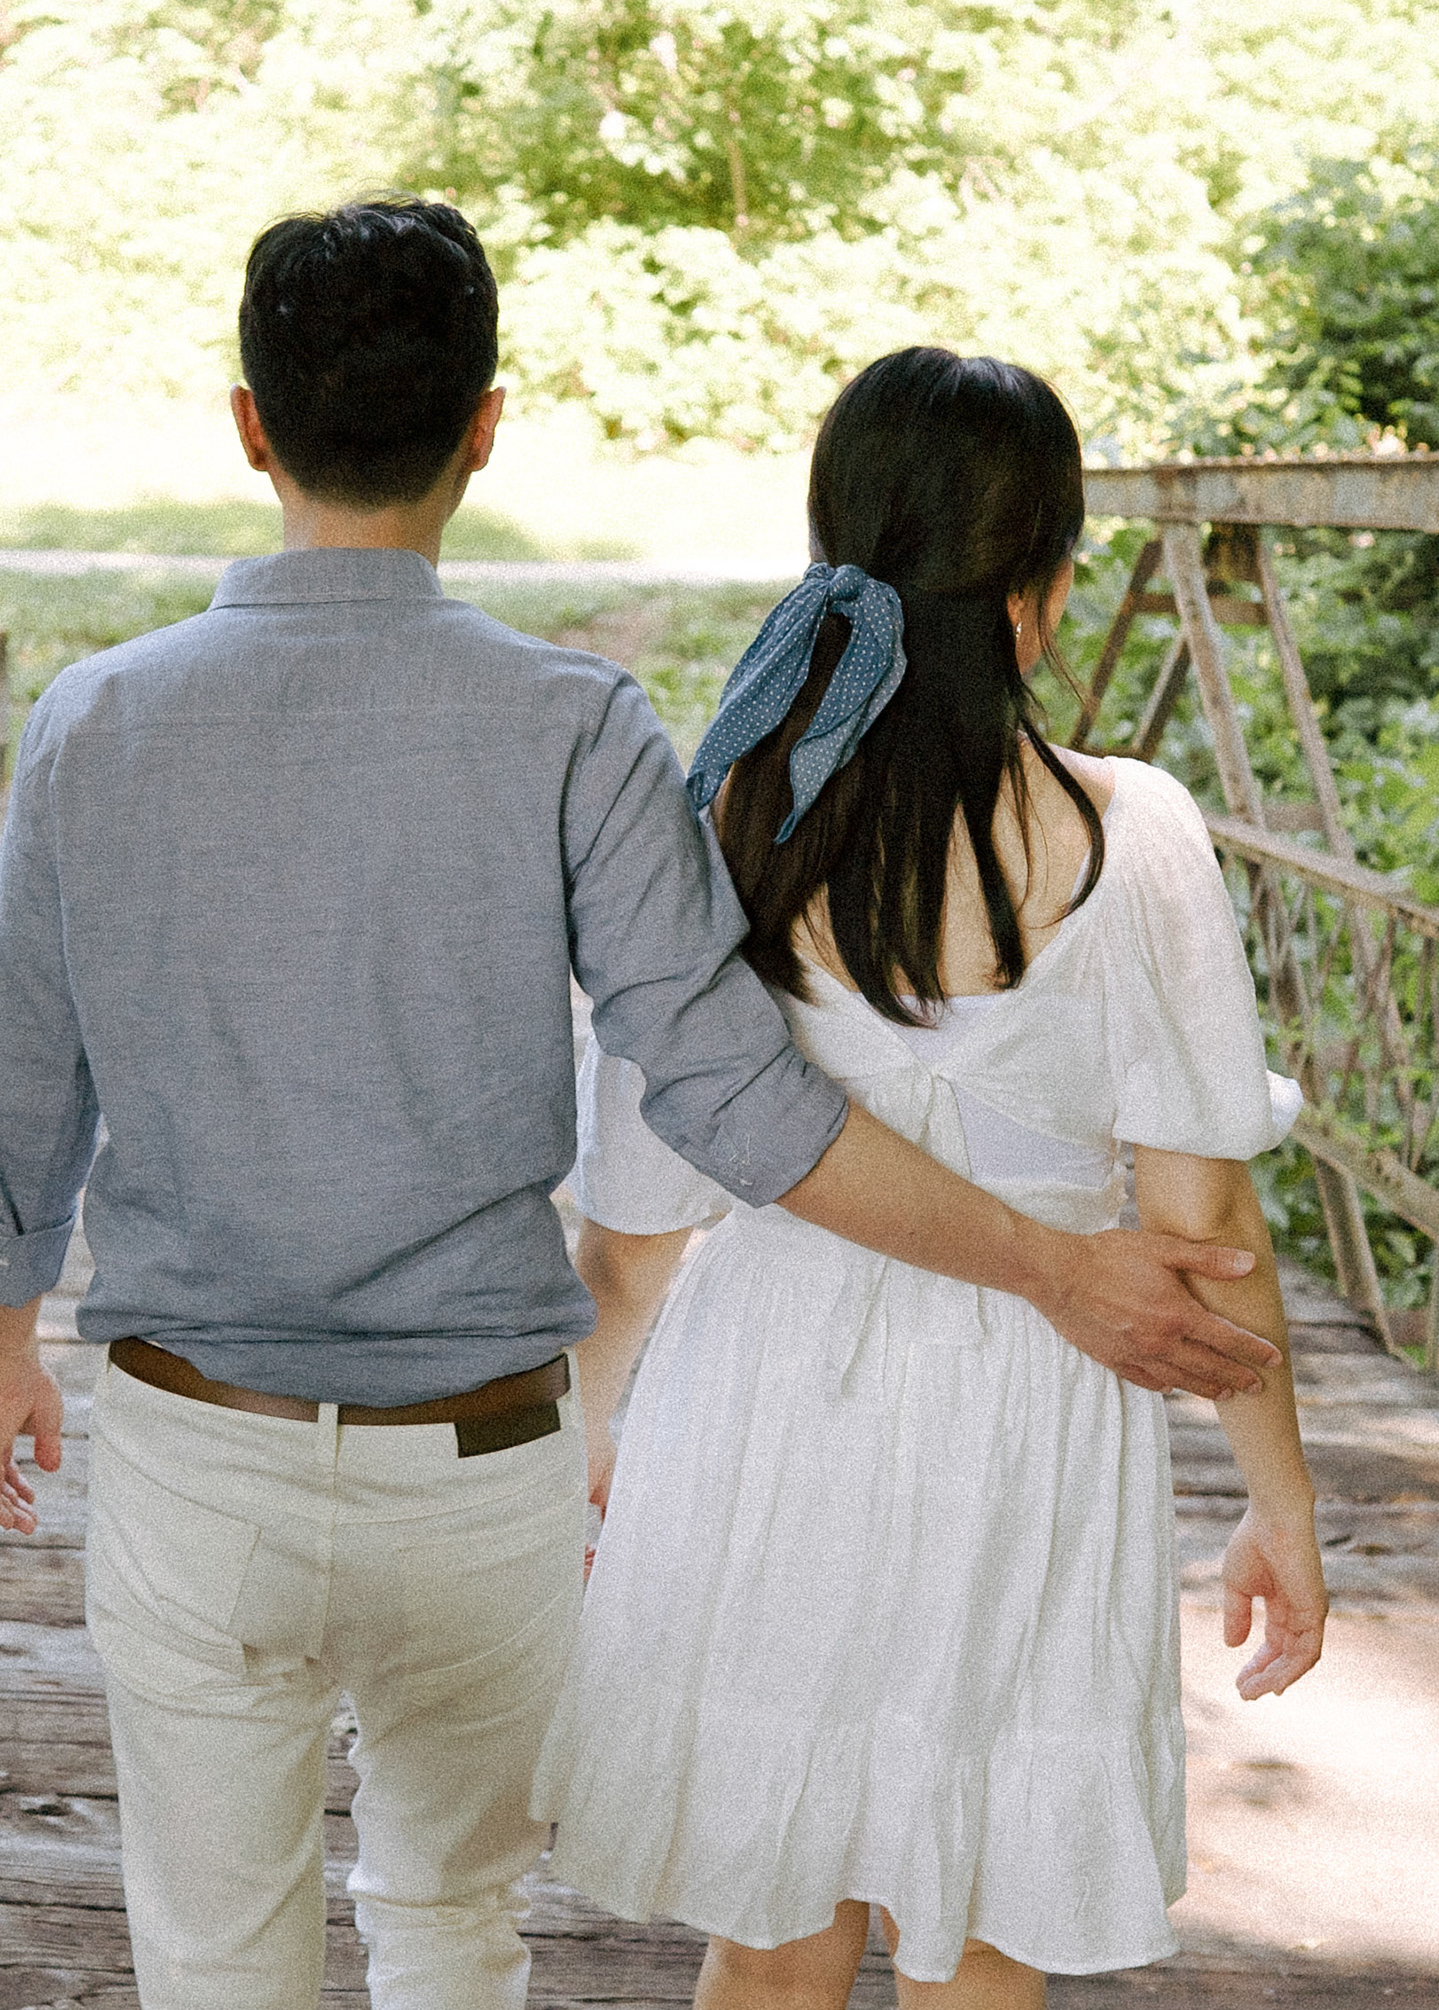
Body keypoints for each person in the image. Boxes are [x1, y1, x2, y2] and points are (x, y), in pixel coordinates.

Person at [0, 207, 1279, 2010]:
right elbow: (728, 1096)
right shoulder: (575, 724)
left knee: (220, 1955)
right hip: (481, 1466)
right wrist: (1059, 1271)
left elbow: (23, 1072)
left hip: (197, 1443)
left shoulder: (92, 719)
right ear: (487, 428)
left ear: (248, 426)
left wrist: (7, 1328)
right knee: (454, 1922)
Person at [533, 346, 1328, 2010]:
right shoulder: (1135, 838)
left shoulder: (729, 820)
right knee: (984, 1932)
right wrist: (1282, 1503)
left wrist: (597, 1434)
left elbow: (640, 1221)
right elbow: (1204, 1229)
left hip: (766, 1400)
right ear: (1042, 595)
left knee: (772, 1938)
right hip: (1035, 1415)